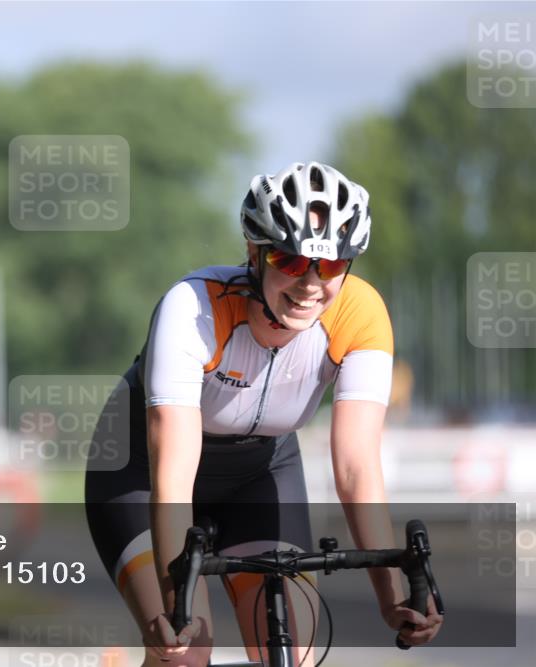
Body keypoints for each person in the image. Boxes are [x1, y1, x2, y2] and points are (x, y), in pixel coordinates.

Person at [84, 162, 443, 666]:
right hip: (142, 473)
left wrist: (392, 598)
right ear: (255, 254)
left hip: (261, 472)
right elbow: (173, 476)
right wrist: (175, 606)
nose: (310, 284)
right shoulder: (193, 309)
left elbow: (356, 467)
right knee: (186, 650)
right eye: (291, 262)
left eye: (332, 266)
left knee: (293, 653)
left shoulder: (361, 314)